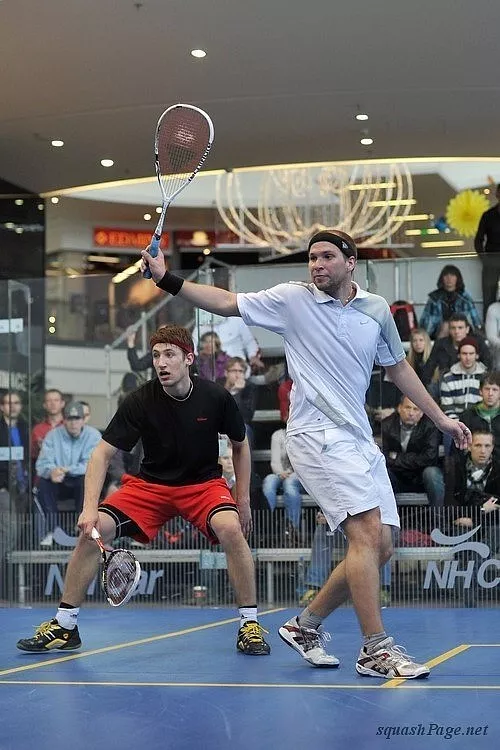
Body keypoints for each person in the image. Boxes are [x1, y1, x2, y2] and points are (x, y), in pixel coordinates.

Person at [141, 229, 471, 679]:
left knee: (384, 546)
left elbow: (398, 370)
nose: (317, 265)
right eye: (312, 258)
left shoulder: (376, 310)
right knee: (366, 534)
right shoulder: (292, 300)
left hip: (358, 438)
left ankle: (304, 625)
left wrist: (441, 419)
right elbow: (226, 301)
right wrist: (167, 280)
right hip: (315, 434)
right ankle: (375, 648)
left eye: (327, 257)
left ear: (350, 262)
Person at [17, 325, 270, 657]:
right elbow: (101, 454)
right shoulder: (140, 400)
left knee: (231, 528)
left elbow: (241, 446)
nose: (161, 363)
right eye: (155, 356)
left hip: (203, 486)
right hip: (150, 487)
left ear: (189, 359)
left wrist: (243, 500)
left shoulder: (216, 397)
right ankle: (65, 626)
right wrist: (89, 507)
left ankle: (249, 624)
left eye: (169, 355)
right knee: (93, 531)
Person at [34, 402, 102, 544]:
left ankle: (82, 529)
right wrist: (51, 471)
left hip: (79, 480)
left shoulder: (93, 435)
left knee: (87, 479)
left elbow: (92, 465)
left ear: (83, 420)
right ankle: (53, 531)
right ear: (63, 420)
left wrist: (68, 469)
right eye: (69, 419)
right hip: (58, 480)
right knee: (43, 483)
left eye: (77, 419)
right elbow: (41, 464)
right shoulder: (53, 435)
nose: (73, 423)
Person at [381, 396, 444, 507]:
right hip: (397, 475)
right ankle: (388, 519)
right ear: (399, 408)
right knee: (383, 472)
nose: (411, 413)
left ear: (421, 413)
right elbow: (383, 457)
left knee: (432, 473)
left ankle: (437, 519)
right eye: (407, 408)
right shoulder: (387, 425)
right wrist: (415, 458)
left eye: (416, 409)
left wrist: (397, 457)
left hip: (420, 477)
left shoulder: (430, 427)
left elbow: (430, 458)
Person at [421, 313, 491, 388]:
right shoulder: (440, 344)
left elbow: (488, 366)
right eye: (453, 328)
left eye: (460, 328)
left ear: (467, 329)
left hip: (475, 385)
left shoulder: (478, 342)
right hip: (447, 386)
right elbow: (429, 368)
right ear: (449, 330)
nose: (456, 331)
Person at [262, 422, 304, 541]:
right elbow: (275, 461)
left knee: (289, 484)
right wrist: (280, 473)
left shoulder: (306, 434)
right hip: (281, 472)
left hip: (300, 474)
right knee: (269, 481)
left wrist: (293, 473)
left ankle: (291, 530)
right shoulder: (278, 435)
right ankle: (267, 526)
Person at [419, 265, 482, 340]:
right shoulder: (434, 298)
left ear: (457, 278)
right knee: (446, 326)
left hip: (461, 330)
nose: (449, 278)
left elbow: (476, 320)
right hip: (438, 332)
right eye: (446, 275)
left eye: (452, 275)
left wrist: (480, 335)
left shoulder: (465, 297)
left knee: (456, 326)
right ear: (442, 278)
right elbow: (424, 321)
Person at [439, 337, 487, 420]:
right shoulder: (447, 378)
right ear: (459, 355)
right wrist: (459, 426)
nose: (468, 358)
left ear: (477, 355)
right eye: (464, 353)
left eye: (471, 353)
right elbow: (447, 407)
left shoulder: (486, 377)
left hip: (481, 421)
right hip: (455, 424)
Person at [460, 372, 500, 462]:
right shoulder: (467, 417)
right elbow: (459, 451)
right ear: (480, 391)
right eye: (487, 389)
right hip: (472, 466)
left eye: (495, 389)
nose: (490, 393)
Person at [474, 184, 500, 312]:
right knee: (489, 297)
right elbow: (478, 240)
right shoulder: (488, 216)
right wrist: (485, 259)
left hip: (491, 260)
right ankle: (488, 328)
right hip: (492, 260)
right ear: (497, 195)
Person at [31, 389, 65, 462]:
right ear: (44, 405)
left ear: (62, 404)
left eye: (56, 400)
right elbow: (32, 456)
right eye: (49, 400)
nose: (53, 403)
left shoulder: (70, 426)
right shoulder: (37, 429)